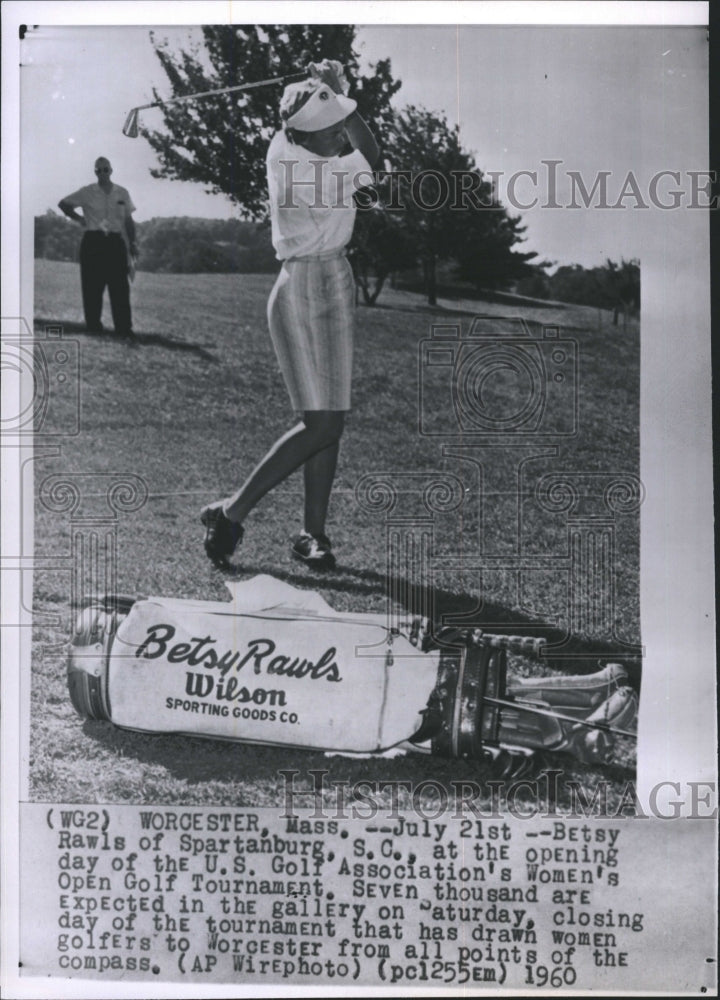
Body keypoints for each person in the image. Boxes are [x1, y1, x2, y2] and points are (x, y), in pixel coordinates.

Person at [200, 60, 379, 570]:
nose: (340, 131)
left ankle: (312, 534)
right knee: (321, 423)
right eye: (333, 126)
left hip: (333, 282)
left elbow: (312, 122)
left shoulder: (280, 148)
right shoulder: (324, 173)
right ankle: (231, 513)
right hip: (301, 288)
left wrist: (322, 90)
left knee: (330, 420)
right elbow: (373, 155)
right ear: (311, 137)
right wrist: (339, 93)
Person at [58, 157, 138, 339]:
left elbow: (128, 220)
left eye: (106, 169)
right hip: (93, 241)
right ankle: (93, 326)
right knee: (92, 286)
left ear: (111, 170)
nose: (103, 173)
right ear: (95, 172)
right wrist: (79, 219)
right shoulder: (87, 192)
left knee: (119, 286)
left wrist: (132, 243)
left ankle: (123, 328)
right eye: (99, 170)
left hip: (115, 242)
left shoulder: (122, 192)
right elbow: (63, 204)